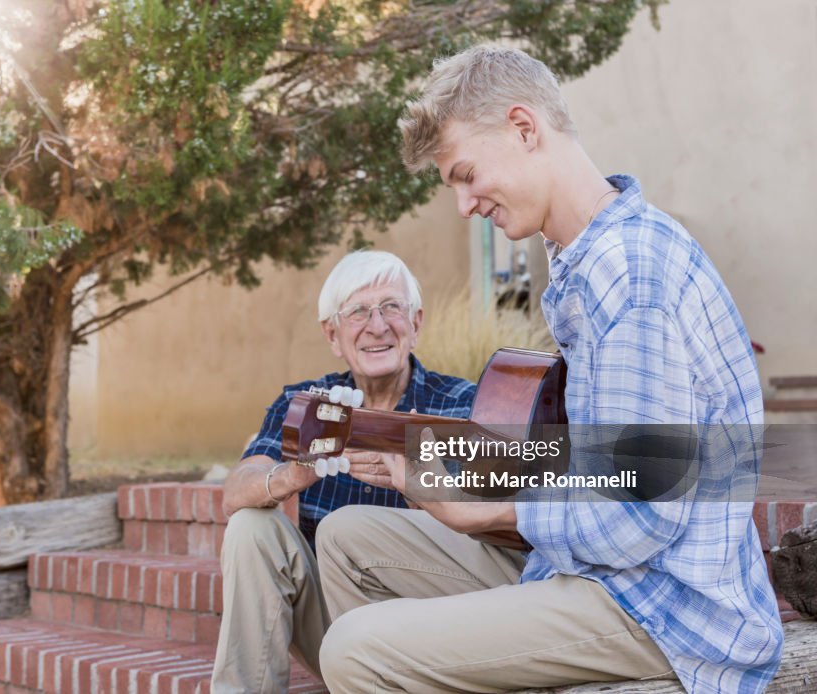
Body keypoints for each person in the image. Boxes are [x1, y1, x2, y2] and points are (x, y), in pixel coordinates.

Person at [316, 45, 783, 693]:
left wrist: (480, 512)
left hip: (661, 606)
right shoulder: (583, 261)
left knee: (354, 650)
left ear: (525, 129)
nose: (464, 205)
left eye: (466, 174)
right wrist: (455, 473)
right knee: (346, 539)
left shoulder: (628, 274)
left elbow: (639, 518)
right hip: (592, 571)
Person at [210, 250, 478, 693]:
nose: (377, 326)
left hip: (431, 633)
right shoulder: (306, 404)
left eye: (392, 307)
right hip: (335, 632)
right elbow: (235, 491)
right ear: (333, 335)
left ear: (416, 323)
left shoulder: (462, 405)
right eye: (357, 312)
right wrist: (295, 475)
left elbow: (493, 533)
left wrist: (417, 484)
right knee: (250, 527)